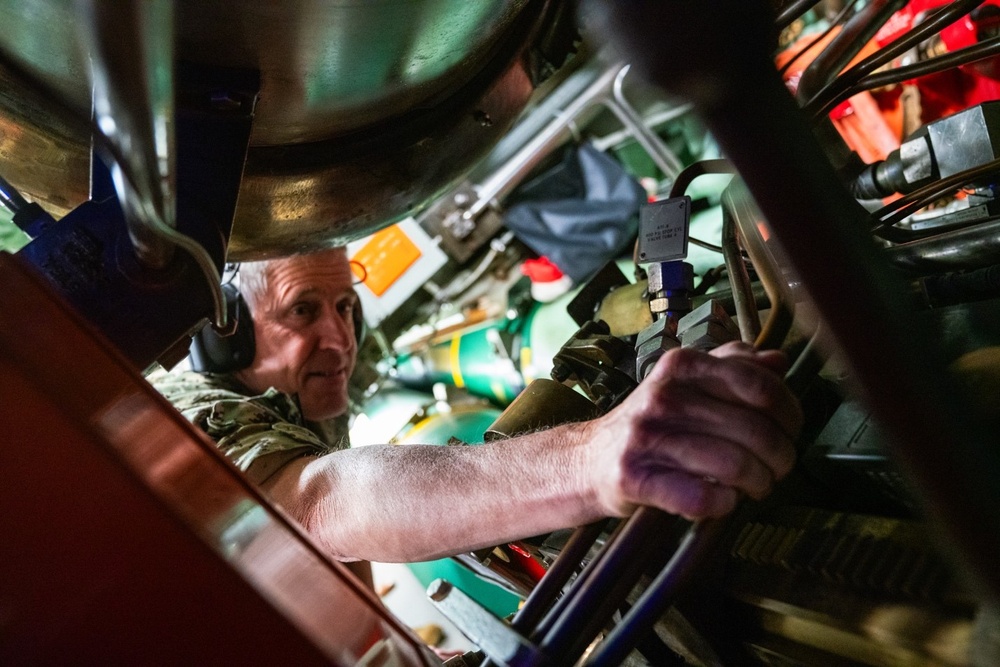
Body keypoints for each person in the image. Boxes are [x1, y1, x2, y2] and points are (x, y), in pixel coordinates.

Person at [152, 246, 802, 566]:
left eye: (347, 307)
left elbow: (344, 563)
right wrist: (587, 457)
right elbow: (322, 503)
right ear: (224, 328)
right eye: (303, 310)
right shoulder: (184, 410)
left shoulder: (305, 404)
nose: (340, 338)